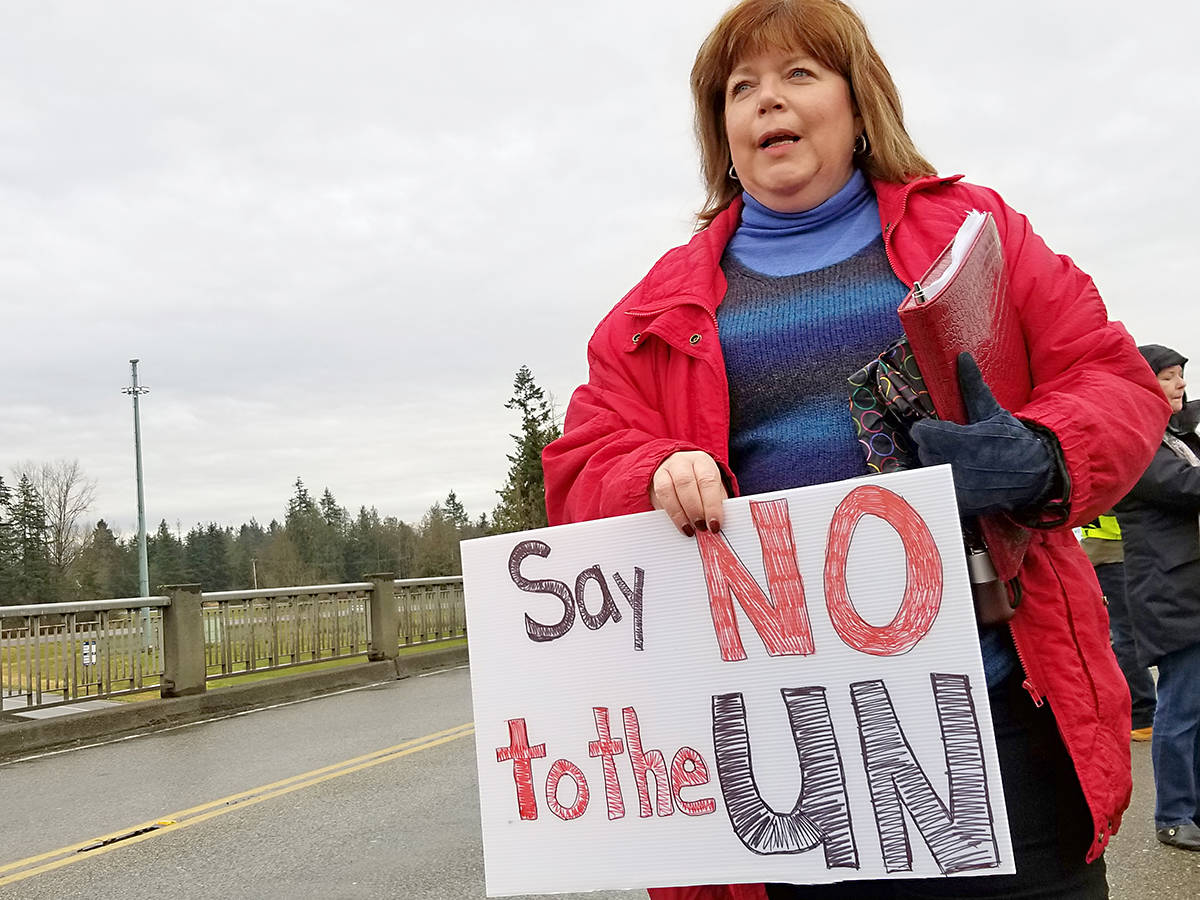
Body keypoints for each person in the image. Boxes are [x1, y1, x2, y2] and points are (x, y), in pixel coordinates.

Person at [542, 0, 1170, 896]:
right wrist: (648, 472)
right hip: (780, 756)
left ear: (856, 101)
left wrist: (1043, 453)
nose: (768, 102)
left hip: (996, 722)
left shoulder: (973, 234)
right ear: (720, 129)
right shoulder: (658, 306)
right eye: (741, 88)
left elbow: (1111, 379)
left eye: (799, 75)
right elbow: (580, 457)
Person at [1114, 345, 1200, 852]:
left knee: (1196, 705)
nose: (1179, 386)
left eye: (1181, 379)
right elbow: (1187, 486)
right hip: (1169, 590)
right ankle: (1172, 814)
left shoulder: (1171, 436)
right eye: (1167, 378)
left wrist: (1181, 414)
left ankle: (1192, 808)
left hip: (1187, 586)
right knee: (1181, 706)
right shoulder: (1134, 441)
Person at [1079, 513, 1157, 740]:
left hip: (1112, 551)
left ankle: (1142, 714)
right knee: (1129, 636)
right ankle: (1144, 715)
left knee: (1126, 635)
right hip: (1115, 551)